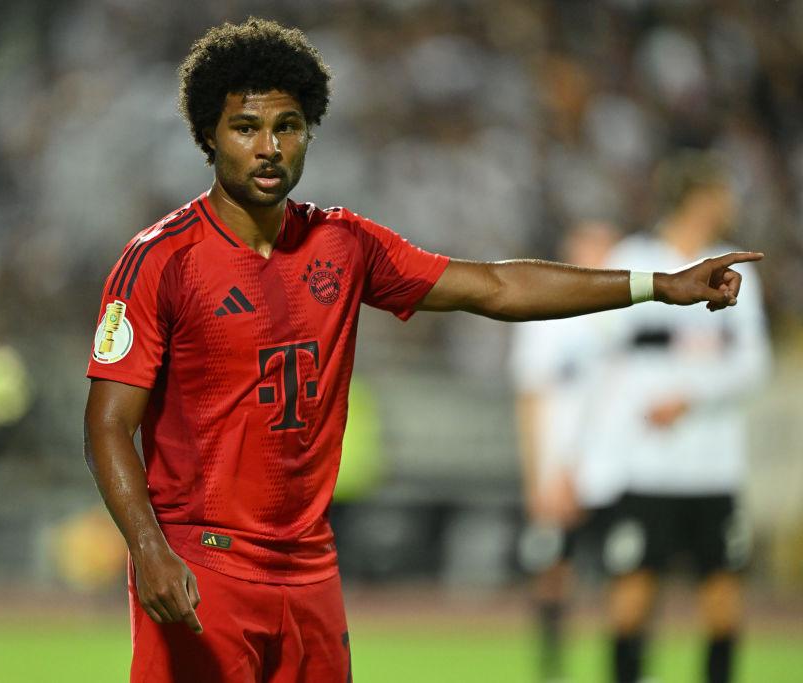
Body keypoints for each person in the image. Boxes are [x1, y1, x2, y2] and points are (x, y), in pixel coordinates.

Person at [82, 20, 760, 683]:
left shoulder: (343, 244)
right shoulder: (161, 261)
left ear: (309, 131)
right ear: (208, 135)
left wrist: (656, 285)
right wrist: (147, 549)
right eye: (245, 127)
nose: (269, 147)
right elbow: (107, 424)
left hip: (310, 570)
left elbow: (495, 286)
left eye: (287, 126)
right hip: (204, 563)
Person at [586, 151, 771, 683]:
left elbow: (754, 363)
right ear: (696, 198)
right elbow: (604, 357)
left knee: (723, 599)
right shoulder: (636, 257)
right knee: (632, 594)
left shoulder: (734, 269)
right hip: (646, 465)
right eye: (720, 194)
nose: (729, 205)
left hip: (714, 467)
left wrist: (690, 397)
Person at [510, 220, 621, 682]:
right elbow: (530, 397)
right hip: (559, 468)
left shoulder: (627, 313)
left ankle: (623, 667)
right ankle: (551, 670)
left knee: (627, 571)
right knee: (553, 569)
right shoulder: (545, 313)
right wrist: (539, 476)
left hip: (617, 466)